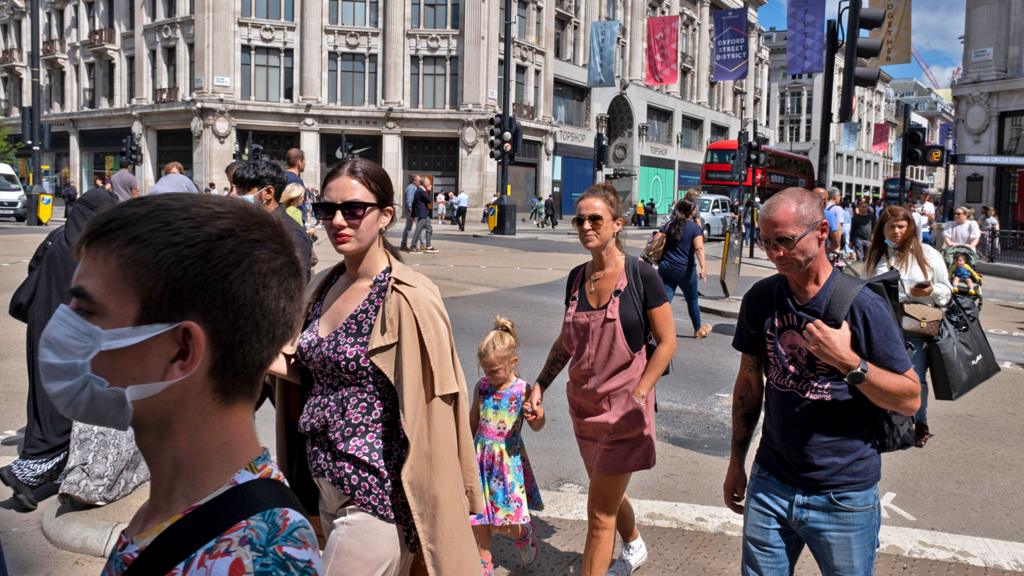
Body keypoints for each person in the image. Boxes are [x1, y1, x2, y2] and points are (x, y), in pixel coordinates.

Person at [42, 194, 322, 574]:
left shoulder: (255, 560)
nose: (63, 327)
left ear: (181, 351)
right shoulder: (184, 503)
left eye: (88, 310)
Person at [270, 157, 483, 575]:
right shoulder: (324, 285)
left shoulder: (409, 296)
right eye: (326, 210)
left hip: (376, 495)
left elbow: (438, 413)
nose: (337, 221)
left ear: (385, 215)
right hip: (325, 486)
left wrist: (447, 506)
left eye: (353, 209)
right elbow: (308, 368)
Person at [725, 188, 920, 575]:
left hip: (844, 494)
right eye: (766, 241)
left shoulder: (862, 304)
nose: (774, 253)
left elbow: (910, 397)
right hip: (771, 482)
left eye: (784, 240)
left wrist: (848, 362)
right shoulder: (762, 298)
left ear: (821, 231)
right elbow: (749, 385)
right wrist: (736, 462)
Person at [527, 183, 675, 576]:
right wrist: (541, 383)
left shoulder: (642, 276)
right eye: (580, 219)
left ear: (617, 224)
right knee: (604, 490)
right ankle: (635, 543)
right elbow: (567, 342)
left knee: (598, 514)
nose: (586, 226)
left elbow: (667, 342)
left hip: (625, 413)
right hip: (584, 410)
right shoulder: (576, 279)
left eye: (596, 219)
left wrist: (641, 392)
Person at [2, 188, 117, 512]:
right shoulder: (99, 248)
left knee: (43, 399)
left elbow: (33, 273)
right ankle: (27, 473)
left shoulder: (56, 237)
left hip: (42, 327)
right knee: (66, 410)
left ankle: (36, 468)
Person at [865, 205, 952, 448]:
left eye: (901, 226)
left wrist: (930, 290)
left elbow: (946, 291)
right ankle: (887, 422)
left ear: (910, 228)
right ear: (882, 229)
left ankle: (920, 421)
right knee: (880, 376)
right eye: (891, 226)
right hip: (881, 325)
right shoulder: (877, 256)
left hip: (916, 324)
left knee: (915, 377)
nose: (896, 231)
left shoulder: (927, 254)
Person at [470, 317, 544, 576]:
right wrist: (466, 453)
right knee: (479, 515)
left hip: (507, 463)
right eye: (485, 371)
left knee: (508, 519)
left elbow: (537, 424)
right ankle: (484, 560)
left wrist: (538, 416)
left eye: (494, 371)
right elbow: (473, 421)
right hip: (481, 458)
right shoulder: (482, 388)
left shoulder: (523, 390)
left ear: (513, 363)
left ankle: (523, 534)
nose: (488, 377)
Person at [232, 160, 313, 281]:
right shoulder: (246, 223)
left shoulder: (291, 234)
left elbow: (295, 286)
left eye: (242, 191)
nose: (234, 195)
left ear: (268, 193)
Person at [654, 198, 711, 339]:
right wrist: (703, 267)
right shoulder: (694, 228)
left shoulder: (669, 224)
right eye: (695, 208)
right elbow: (699, 248)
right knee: (692, 300)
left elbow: (655, 241)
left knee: (665, 299)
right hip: (685, 270)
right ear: (691, 211)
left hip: (666, 267)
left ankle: (653, 326)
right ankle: (697, 329)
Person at [411, 177, 438, 253]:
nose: (430, 184)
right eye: (429, 183)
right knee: (418, 230)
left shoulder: (421, 190)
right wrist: (429, 190)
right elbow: (429, 200)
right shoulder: (421, 191)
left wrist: (412, 215)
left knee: (429, 229)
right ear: (425, 183)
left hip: (425, 214)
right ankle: (413, 246)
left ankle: (428, 246)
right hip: (421, 214)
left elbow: (414, 203)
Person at [284, 148, 308, 224]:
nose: (305, 163)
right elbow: (296, 206)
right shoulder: (295, 181)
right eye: (304, 161)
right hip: (294, 225)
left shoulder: (282, 177)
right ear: (299, 162)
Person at [399, 174, 420, 251]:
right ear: (415, 180)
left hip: (411, 211)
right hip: (412, 211)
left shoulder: (413, 187)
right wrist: (412, 211)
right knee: (419, 227)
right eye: (419, 180)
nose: (420, 182)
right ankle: (415, 245)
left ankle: (403, 244)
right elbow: (409, 201)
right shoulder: (411, 188)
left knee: (408, 228)